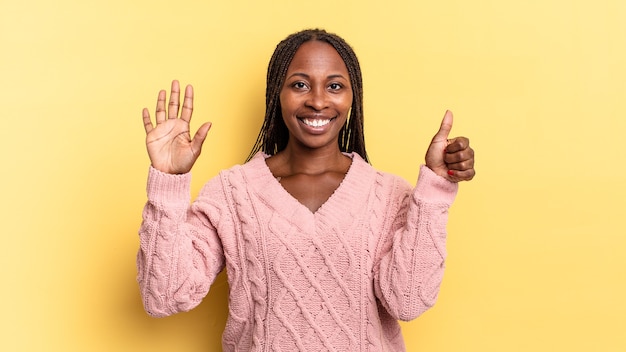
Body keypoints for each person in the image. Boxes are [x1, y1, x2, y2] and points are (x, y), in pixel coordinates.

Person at [137, 29, 475, 351]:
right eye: (299, 84)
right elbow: (164, 296)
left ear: (352, 96)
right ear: (276, 95)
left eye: (334, 86)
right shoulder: (231, 194)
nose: (317, 101)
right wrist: (168, 183)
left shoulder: (389, 195)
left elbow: (409, 300)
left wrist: (433, 189)